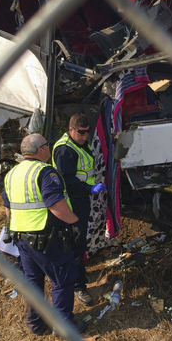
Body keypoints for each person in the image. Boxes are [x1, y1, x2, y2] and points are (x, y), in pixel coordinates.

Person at [2, 133, 86, 335]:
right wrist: (75, 223)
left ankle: (35, 324)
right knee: (63, 280)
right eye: (47, 145)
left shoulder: (12, 173)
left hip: (21, 238)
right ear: (40, 150)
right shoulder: (46, 172)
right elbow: (55, 204)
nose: (49, 148)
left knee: (33, 281)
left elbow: (8, 209)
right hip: (46, 238)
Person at [52, 113, 106, 305]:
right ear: (71, 130)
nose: (85, 137)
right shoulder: (65, 151)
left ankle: (77, 276)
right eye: (81, 133)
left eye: (87, 133)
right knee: (75, 243)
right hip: (71, 202)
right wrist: (89, 188)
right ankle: (78, 286)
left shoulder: (79, 144)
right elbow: (68, 181)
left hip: (82, 199)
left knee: (79, 241)